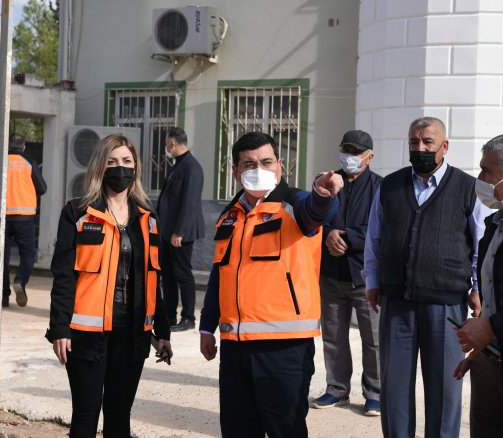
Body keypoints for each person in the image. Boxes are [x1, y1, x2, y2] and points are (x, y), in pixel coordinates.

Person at [199, 132, 343, 437]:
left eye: (266, 161)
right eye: (249, 164)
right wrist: (206, 327)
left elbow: (319, 211)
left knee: (285, 431)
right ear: (236, 172)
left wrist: (324, 194)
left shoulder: (296, 203)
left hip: (285, 349)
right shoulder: (229, 216)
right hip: (235, 349)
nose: (258, 168)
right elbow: (219, 273)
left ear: (280, 166)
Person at [362, 116, 491, 437]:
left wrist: (478, 290)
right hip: (397, 302)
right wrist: (373, 281)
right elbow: (374, 238)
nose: (420, 148)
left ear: (444, 146)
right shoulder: (390, 186)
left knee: (445, 388)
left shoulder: (467, 188)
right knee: (393, 388)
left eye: (427, 142)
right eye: (413, 142)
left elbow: (480, 244)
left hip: (446, 307)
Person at [46, 134, 172, 438]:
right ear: (100, 166)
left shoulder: (148, 217)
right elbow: (64, 275)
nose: (121, 168)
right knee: (86, 415)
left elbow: (154, 278)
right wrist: (60, 328)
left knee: (119, 416)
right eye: (112, 162)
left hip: (132, 335)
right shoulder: (77, 212)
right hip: (87, 334)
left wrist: (162, 332)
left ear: (136, 167)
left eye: (127, 162)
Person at [452, 133, 503, 437]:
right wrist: (479, 344)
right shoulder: (496, 224)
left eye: (487, 171)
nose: (480, 178)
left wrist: (492, 328)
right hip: (492, 362)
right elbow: (498, 294)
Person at [311, 130, 382, 416]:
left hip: (365, 277)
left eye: (356, 151)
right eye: (346, 150)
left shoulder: (381, 187)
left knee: (374, 339)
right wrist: (327, 235)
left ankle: (375, 394)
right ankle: (336, 389)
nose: (350, 156)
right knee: (333, 336)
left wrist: (346, 238)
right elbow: (312, 218)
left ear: (369, 156)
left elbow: (383, 230)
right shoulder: (326, 183)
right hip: (331, 274)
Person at [156, 127, 205, 332]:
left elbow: (190, 202)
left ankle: (188, 318)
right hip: (168, 231)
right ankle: (169, 316)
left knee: (182, 273)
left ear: (173, 143)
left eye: (166, 142)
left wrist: (180, 232)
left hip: (180, 233)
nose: (165, 146)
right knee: (167, 274)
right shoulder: (178, 165)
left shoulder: (191, 167)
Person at [2, 133, 47, 307]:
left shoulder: (1, 162)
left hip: (2, 216)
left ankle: (4, 297)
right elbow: (42, 188)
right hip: (25, 216)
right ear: (23, 147)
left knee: (2, 258)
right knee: (27, 254)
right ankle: (20, 280)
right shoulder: (29, 163)